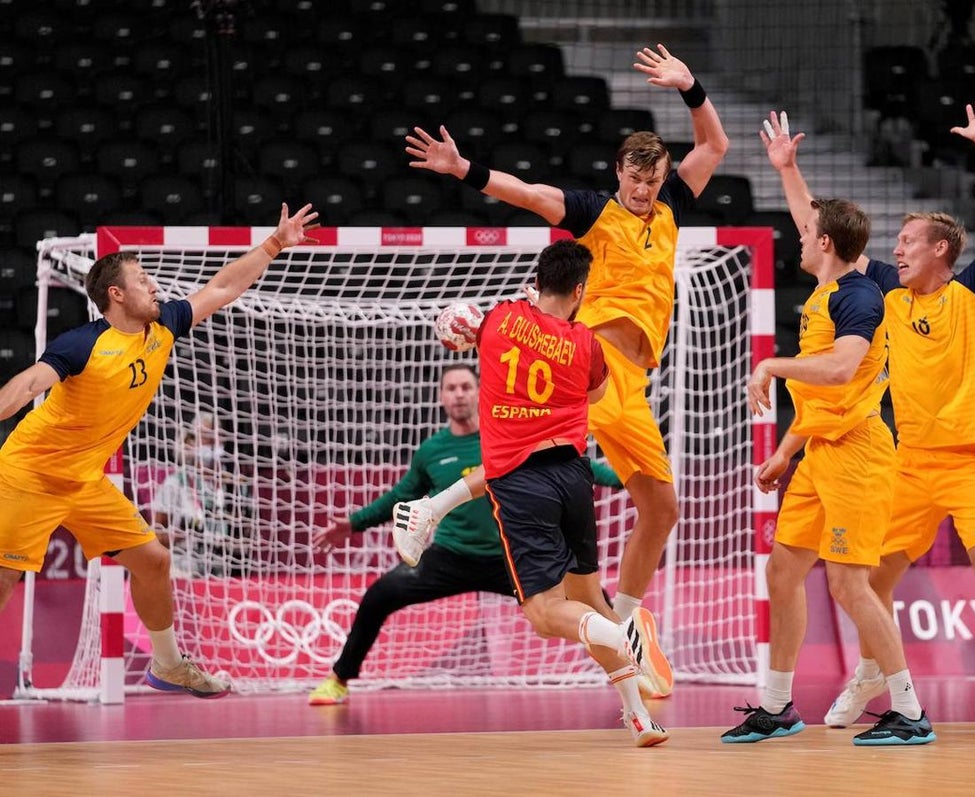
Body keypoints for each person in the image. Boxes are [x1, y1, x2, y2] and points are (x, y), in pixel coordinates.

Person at [402, 45, 729, 695]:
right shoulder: (593, 212)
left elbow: (714, 143)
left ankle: (629, 624)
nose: (643, 191)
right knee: (544, 453)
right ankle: (430, 507)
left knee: (662, 508)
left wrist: (690, 86)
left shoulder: (671, 211)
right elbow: (527, 193)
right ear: (618, 173)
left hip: (638, 384)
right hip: (594, 362)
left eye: (653, 180)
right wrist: (463, 167)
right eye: (635, 180)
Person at [765, 100, 975, 737]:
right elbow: (819, 238)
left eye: (907, 243)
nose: (895, 251)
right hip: (908, 461)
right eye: (896, 244)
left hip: (972, 463)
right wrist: (787, 170)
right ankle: (873, 675)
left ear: (940, 250)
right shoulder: (887, 295)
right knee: (871, 581)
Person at [0, 203, 319, 699]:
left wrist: (275, 244)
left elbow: (222, 287)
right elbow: (28, 385)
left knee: (152, 560)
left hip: (84, 479)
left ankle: (168, 666)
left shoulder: (165, 326)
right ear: (116, 294)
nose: (155, 287)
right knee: (4, 576)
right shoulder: (83, 343)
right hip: (29, 473)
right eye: (143, 280)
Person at [721, 148, 935, 746]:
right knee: (783, 570)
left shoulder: (858, 297)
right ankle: (777, 707)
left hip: (861, 455)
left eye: (810, 232)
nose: (801, 234)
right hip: (820, 452)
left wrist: (771, 364)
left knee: (848, 583)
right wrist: (787, 451)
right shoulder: (825, 289)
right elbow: (823, 401)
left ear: (829, 244)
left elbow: (842, 371)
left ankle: (911, 712)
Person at [307, 363, 624, 706]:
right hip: (452, 556)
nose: (459, 394)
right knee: (379, 596)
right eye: (451, 388)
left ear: (479, 393)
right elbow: (400, 497)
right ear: (442, 397)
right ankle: (339, 679)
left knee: (593, 599)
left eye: (465, 387)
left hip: (511, 556)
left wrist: (622, 478)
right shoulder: (432, 450)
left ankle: (633, 672)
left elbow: (569, 465)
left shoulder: (504, 437)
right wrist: (354, 523)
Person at [478, 238, 671, 745]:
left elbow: (474, 330)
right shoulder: (585, 342)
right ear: (580, 290)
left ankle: (626, 633)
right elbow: (597, 394)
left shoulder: (501, 319)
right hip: (573, 476)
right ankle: (639, 715)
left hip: (522, 479)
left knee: (545, 614)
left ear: (536, 281)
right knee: (589, 597)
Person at [151, 412, 232, 577]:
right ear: (192, 441)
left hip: (222, 567)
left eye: (217, 438)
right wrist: (184, 534)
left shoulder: (232, 484)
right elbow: (155, 537)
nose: (212, 443)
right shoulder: (175, 483)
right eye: (206, 437)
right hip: (183, 567)